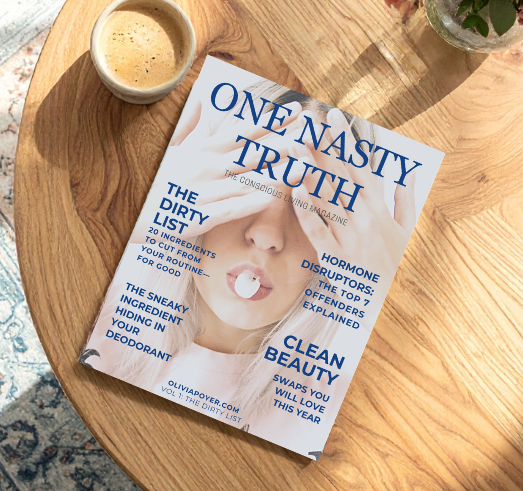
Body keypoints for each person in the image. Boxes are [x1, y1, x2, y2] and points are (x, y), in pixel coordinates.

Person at [85, 80, 418, 443]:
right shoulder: (99, 292)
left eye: (311, 208)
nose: (266, 236)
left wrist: (393, 307)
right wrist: (131, 215)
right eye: (250, 184)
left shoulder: (349, 406)